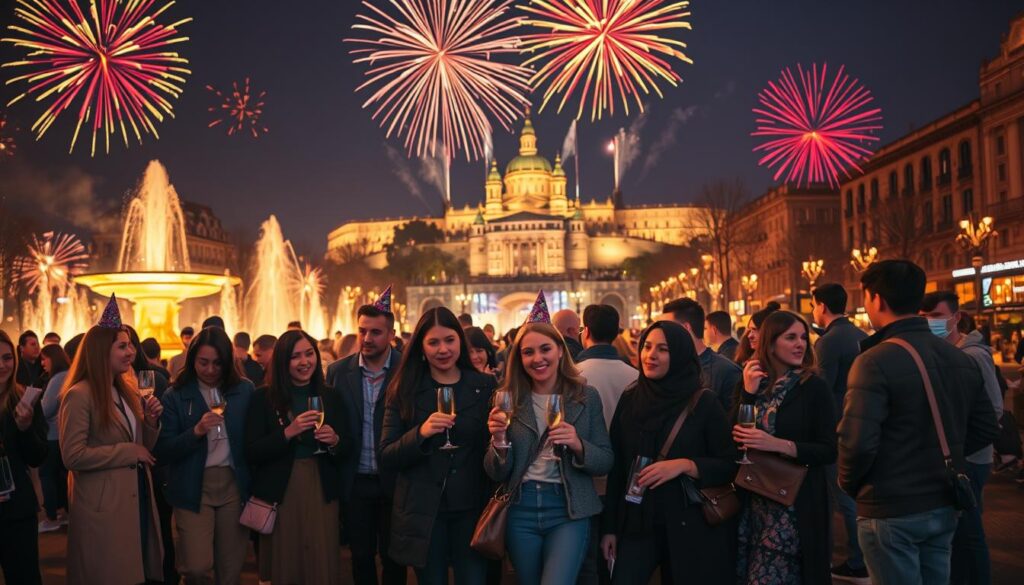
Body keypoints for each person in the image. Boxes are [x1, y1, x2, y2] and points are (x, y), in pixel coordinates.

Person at [838, 260, 999, 585]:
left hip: (891, 507)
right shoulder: (958, 357)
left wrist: (849, 485)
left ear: (876, 299)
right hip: (942, 502)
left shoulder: (873, 361)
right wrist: (945, 455)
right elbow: (986, 426)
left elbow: (856, 443)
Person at [484, 295, 613, 585]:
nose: (537, 358)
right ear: (519, 358)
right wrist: (499, 441)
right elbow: (496, 472)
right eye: (528, 352)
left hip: (568, 507)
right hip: (520, 508)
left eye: (545, 349)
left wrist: (578, 444)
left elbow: (605, 460)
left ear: (559, 351)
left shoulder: (584, 397)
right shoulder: (507, 400)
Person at [601, 321, 737, 584]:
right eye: (647, 347)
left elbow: (729, 464)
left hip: (688, 525)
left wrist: (684, 465)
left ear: (680, 354)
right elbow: (617, 468)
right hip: (637, 522)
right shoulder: (631, 398)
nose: (651, 355)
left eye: (663, 349)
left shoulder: (703, 403)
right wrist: (610, 529)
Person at [380, 307, 496, 584]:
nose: (443, 349)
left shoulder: (484, 386)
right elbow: (386, 454)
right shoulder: (404, 390)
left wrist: (501, 437)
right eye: (433, 342)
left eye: (449, 340)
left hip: (472, 508)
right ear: (421, 347)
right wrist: (420, 433)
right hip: (424, 512)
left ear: (460, 342)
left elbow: (492, 450)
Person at [59, 295, 165, 585]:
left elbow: (145, 448)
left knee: (134, 571)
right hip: (104, 505)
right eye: (122, 346)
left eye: (130, 344)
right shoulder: (79, 395)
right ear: (100, 351)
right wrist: (127, 451)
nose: (131, 351)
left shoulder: (125, 390)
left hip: (134, 497)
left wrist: (151, 422)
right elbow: (72, 455)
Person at [734, 310, 838, 584]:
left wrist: (779, 445)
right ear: (770, 343)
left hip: (794, 505)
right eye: (790, 337)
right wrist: (747, 393)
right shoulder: (753, 382)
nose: (800, 344)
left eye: (803, 337)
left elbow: (829, 449)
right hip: (755, 501)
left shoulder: (813, 386)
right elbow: (732, 438)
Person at [155, 327, 255, 585]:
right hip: (192, 485)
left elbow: (254, 439)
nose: (210, 370)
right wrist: (196, 431)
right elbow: (164, 449)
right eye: (203, 362)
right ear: (192, 360)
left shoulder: (243, 390)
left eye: (217, 363)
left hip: (234, 485)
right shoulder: (175, 394)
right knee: (196, 567)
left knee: (230, 569)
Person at [245, 329, 344, 585]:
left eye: (309, 354)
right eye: (295, 356)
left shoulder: (330, 396)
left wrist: (335, 441)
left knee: (321, 556)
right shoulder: (263, 398)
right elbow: (252, 451)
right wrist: (288, 433)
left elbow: (348, 446)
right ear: (282, 362)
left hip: (321, 485)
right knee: (286, 558)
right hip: (281, 488)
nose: (304, 362)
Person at [921, 291, 1003, 585]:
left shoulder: (973, 355)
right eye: (924, 317)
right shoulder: (943, 353)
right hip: (956, 455)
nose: (930, 323)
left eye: (936, 316)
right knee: (959, 529)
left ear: (955, 318)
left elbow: (994, 408)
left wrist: (961, 448)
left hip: (971, 457)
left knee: (969, 531)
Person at [326, 291, 408, 585]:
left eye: (375, 332)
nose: (367, 338)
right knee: (360, 557)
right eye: (362, 331)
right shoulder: (337, 372)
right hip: (355, 479)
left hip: (395, 480)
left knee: (394, 558)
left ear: (391, 334)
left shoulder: (407, 370)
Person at [810, 282, 869, 582]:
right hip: (861, 423)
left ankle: (858, 560)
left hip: (836, 427)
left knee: (843, 497)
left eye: (813, 305)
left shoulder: (828, 341)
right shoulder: (861, 334)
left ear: (821, 306)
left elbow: (820, 389)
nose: (813, 311)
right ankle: (863, 556)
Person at [0, 330, 48, 585]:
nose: (1, 365)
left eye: (7, 358)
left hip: (16, 510)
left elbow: (37, 457)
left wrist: (26, 428)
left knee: (24, 577)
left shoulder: (24, 399)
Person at [662, 298, 742, 412]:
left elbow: (733, 420)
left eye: (667, 328)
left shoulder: (726, 372)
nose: (661, 334)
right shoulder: (667, 367)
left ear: (686, 328)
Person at [37, 343, 72, 533]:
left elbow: (46, 409)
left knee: (46, 475)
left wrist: (35, 403)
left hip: (52, 435)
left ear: (53, 358)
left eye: (44, 358)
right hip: (63, 434)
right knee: (60, 476)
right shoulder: (68, 374)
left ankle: (51, 517)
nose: (42, 363)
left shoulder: (57, 378)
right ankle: (65, 513)